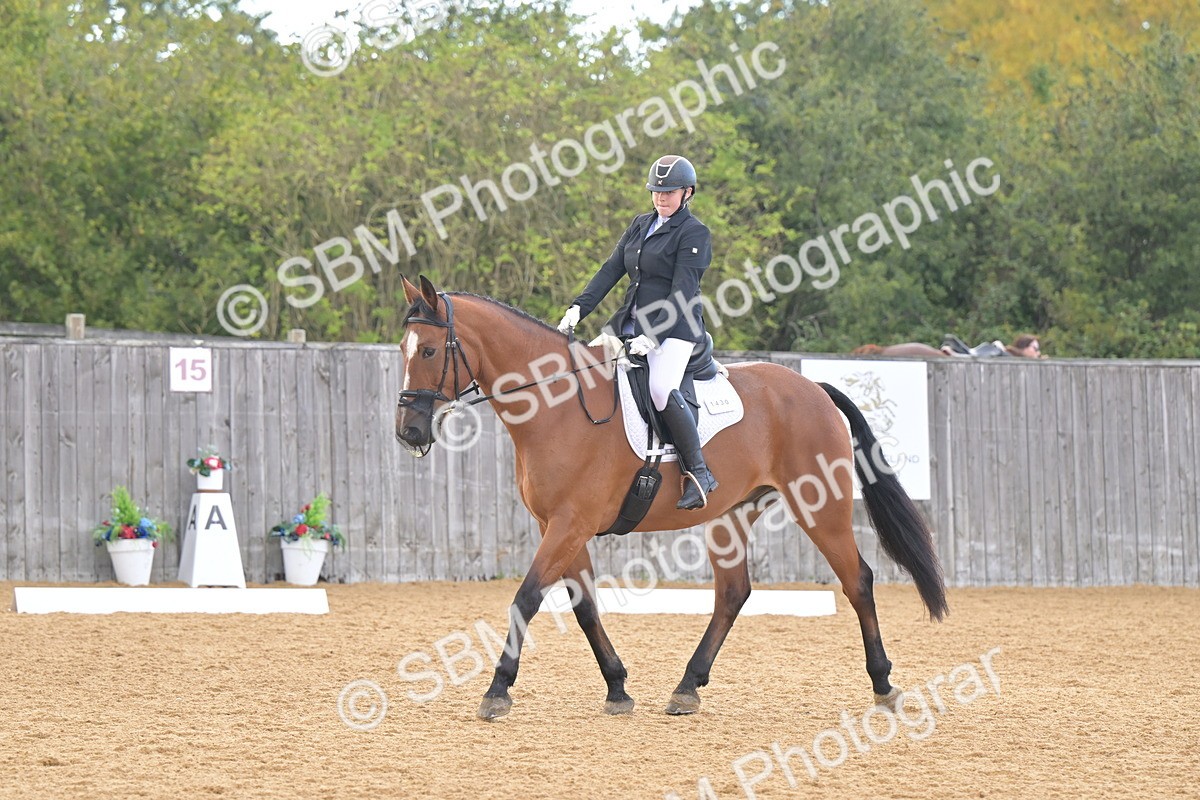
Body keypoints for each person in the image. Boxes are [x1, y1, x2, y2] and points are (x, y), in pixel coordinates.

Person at [556, 154, 718, 510]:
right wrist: (579, 307)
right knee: (587, 370)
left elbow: (683, 291)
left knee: (661, 388)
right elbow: (611, 269)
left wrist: (655, 335)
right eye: (656, 192)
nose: (661, 198)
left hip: (675, 329)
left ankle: (700, 472)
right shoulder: (640, 224)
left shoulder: (694, 233)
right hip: (628, 323)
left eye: (669, 192)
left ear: (687, 193)